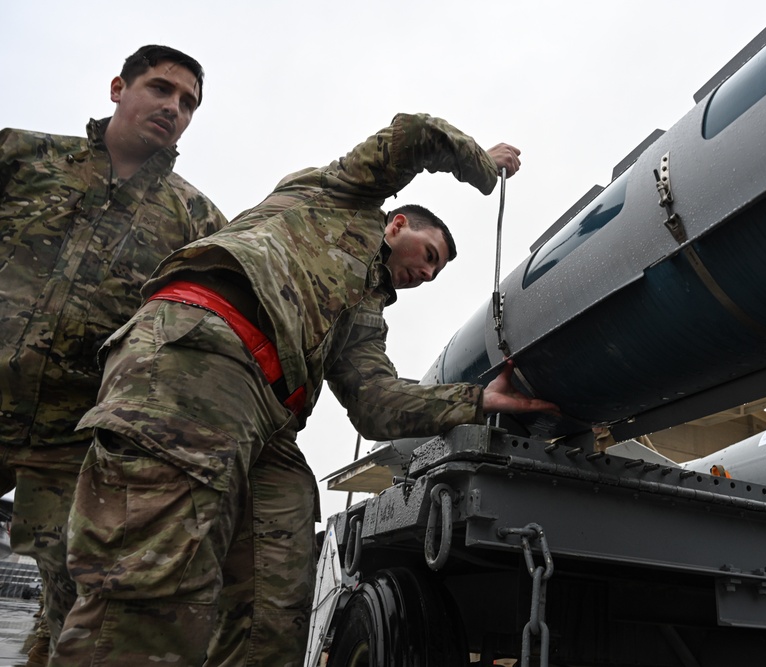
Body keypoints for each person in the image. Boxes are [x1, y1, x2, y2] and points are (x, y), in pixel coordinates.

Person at [51, 112, 557, 667]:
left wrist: (476, 399)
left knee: (274, 604)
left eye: (435, 274)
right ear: (397, 225)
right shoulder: (339, 196)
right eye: (429, 256)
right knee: (149, 588)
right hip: (199, 353)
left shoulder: (362, 317)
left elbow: (376, 404)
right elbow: (414, 134)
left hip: (268, 419)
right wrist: (482, 164)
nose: (427, 275)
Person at [0, 44, 228, 663]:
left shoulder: (196, 218)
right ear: (117, 88)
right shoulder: (21, 157)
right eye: (160, 89)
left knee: (73, 603)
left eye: (188, 104)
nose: (173, 108)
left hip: (74, 440)